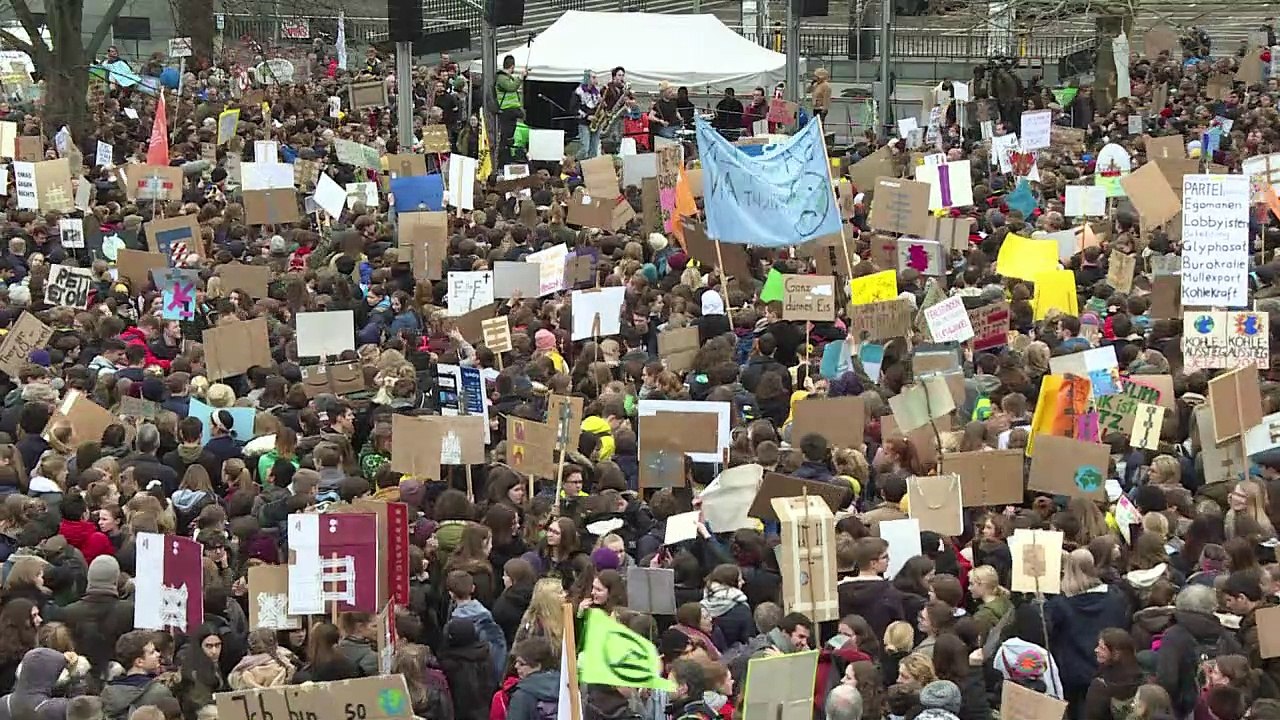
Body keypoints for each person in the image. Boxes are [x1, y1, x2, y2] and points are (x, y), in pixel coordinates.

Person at [101, 631, 175, 720]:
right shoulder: (160, 693)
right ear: (139, 662)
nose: (158, 654)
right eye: (152, 652)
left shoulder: (107, 692)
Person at [505, 638, 560, 720]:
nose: (516, 666)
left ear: (538, 666)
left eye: (521, 664)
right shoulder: (566, 688)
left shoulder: (522, 695)